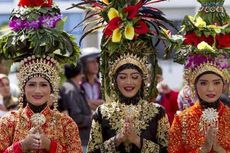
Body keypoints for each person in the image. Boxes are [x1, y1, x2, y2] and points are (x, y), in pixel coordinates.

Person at [72, 0, 175, 152]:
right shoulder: (103, 112)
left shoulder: (157, 112)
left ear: (143, 79)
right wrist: (117, 139)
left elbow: (168, 150)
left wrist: (137, 141)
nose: (129, 82)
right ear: (114, 80)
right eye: (122, 77)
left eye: (134, 76)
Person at [0, 0, 82, 152]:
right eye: (32, 84)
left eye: (43, 85)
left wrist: (49, 145)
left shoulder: (66, 124)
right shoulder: (8, 122)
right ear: (23, 87)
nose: (37, 91)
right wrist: (22, 146)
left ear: (52, 89)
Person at [166, 0, 230, 152]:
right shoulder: (182, 120)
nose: (210, 89)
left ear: (224, 84)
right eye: (203, 83)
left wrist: (219, 149)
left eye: (216, 82)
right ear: (193, 84)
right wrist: (204, 149)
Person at [59, 62, 92, 152]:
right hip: (80, 139)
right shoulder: (71, 90)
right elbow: (76, 118)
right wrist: (93, 118)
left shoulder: (70, 87)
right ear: (80, 71)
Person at [80, 47, 104, 111]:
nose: (96, 64)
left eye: (97, 61)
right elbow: (79, 105)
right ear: (84, 64)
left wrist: (88, 102)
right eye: (92, 61)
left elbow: (106, 104)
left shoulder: (101, 85)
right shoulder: (78, 85)